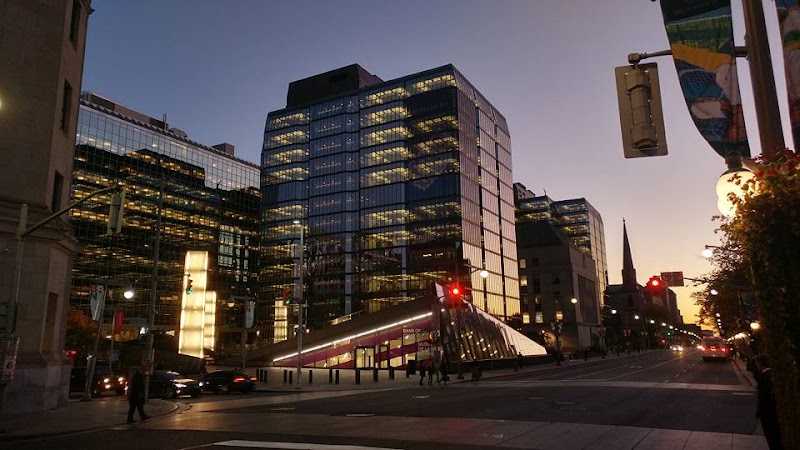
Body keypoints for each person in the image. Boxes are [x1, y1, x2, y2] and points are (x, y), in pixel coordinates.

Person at [754, 354, 782, 449]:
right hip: (775, 411)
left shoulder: (762, 377)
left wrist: (759, 412)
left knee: (770, 435)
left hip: (767, 413)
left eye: (756, 364)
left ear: (760, 364)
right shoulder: (773, 374)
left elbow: (762, 397)